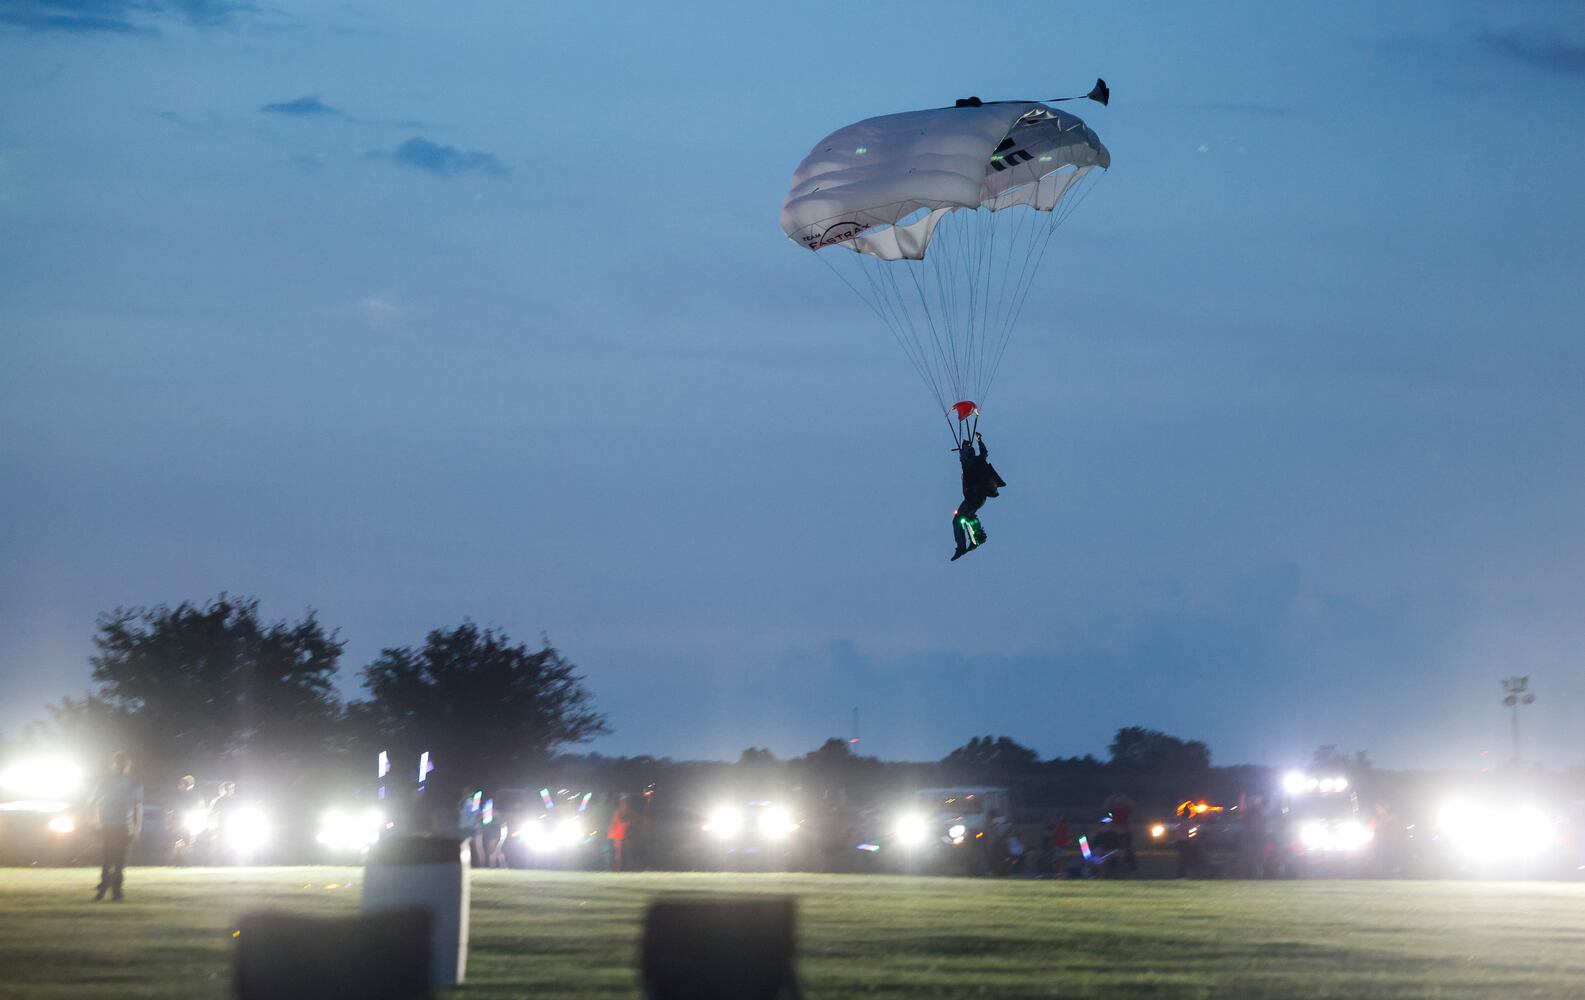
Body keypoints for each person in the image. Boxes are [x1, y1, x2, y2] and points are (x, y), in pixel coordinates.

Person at [89, 751, 143, 901]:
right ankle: (112, 890)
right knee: (113, 860)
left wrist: (137, 826)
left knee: (113, 860)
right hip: (115, 825)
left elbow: (137, 806)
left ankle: (109, 889)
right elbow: (95, 802)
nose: (122, 766)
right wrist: (137, 826)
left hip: (118, 825)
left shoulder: (129, 783)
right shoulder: (121, 782)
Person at [951, 432, 1006, 561]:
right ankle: (978, 537)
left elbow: (980, 454)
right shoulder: (974, 461)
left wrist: (978, 442)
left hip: (974, 498)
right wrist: (979, 441)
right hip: (977, 498)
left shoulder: (972, 463)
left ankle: (961, 547)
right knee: (968, 516)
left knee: (957, 520)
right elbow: (983, 453)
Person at [608, 794, 634, 872]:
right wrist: (629, 823)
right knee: (617, 853)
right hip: (617, 835)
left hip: (620, 835)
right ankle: (616, 869)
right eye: (623, 802)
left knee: (618, 853)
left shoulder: (622, 811)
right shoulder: (618, 812)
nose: (624, 805)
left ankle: (618, 868)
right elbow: (620, 823)